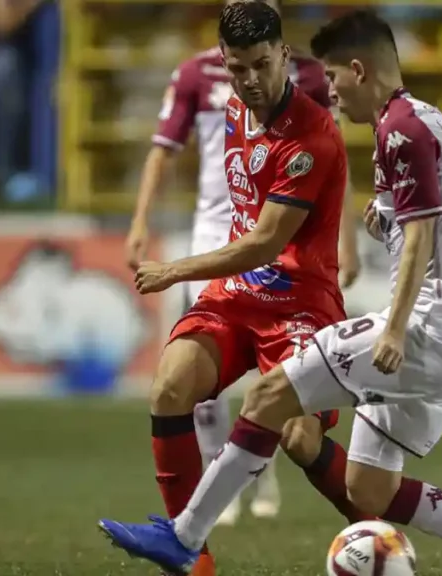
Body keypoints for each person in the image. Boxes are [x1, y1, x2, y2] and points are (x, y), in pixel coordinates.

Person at [97, 10, 442, 576]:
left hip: (417, 331)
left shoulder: (397, 132)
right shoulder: (430, 123)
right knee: (367, 489)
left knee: (268, 400)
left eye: (336, 78)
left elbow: (418, 235)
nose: (331, 93)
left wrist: (393, 324)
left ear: (360, 71)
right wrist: (392, 216)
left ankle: (186, 538)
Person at [100, 3, 372, 575]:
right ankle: (192, 559)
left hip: (301, 302)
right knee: (170, 386)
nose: (250, 79)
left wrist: (173, 270)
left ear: (284, 57)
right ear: (224, 62)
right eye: (237, 67)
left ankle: (376, 530)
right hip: (237, 297)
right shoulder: (233, 112)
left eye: (261, 64)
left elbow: (264, 244)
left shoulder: (311, 135)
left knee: (299, 438)